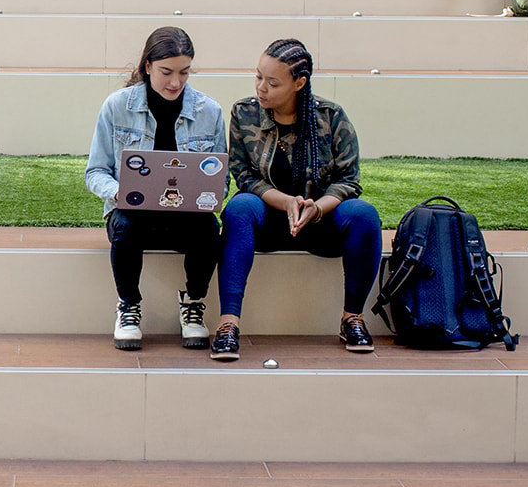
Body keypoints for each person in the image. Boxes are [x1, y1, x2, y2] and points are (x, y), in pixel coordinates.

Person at [213, 38, 382, 362]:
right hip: (269, 219)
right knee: (239, 207)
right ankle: (228, 324)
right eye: (258, 77)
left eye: (272, 82)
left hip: (321, 220)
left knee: (363, 215)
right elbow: (244, 176)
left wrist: (317, 208)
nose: (261, 87)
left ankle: (352, 318)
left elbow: (349, 180)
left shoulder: (330, 116)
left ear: (299, 82)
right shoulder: (245, 113)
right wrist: (287, 202)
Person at [84, 26, 225, 352]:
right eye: (166, 72)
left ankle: (193, 303)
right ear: (147, 66)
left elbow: (219, 178)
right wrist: (119, 193)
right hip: (133, 214)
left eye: (184, 72)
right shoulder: (117, 106)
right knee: (126, 225)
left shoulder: (210, 112)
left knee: (209, 228)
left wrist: (207, 196)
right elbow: (95, 171)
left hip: (185, 217)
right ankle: (129, 307)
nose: (176, 82)